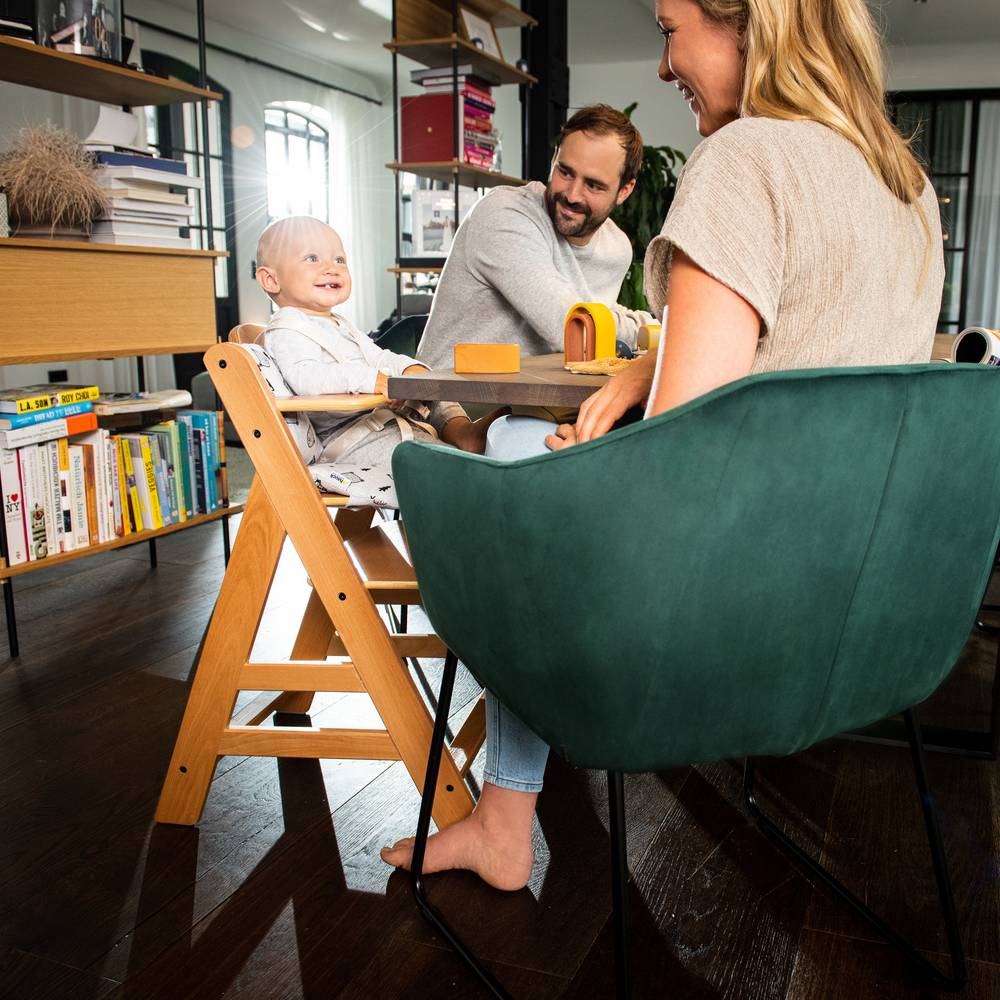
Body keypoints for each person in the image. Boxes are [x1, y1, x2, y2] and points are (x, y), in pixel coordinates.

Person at [382, 0, 944, 891]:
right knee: (543, 435)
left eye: (668, 28)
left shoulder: (747, 158)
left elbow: (680, 468)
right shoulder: (907, 185)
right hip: (862, 620)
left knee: (521, 450)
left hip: (702, 624)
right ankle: (506, 813)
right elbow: (810, 368)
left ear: (751, 23)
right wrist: (656, 366)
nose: (661, 66)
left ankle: (505, 814)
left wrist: (576, 457)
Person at [414, 104, 655, 373]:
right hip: (449, 402)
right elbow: (573, 330)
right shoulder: (503, 214)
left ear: (624, 191)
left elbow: (599, 319)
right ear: (554, 159)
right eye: (565, 172)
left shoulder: (617, 248)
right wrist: (650, 329)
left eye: (593, 185)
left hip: (542, 402)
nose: (572, 195)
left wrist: (653, 328)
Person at [253, 216, 502, 464]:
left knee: (431, 387)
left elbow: (376, 355)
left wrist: (406, 369)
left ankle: (463, 433)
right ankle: (459, 466)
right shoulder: (287, 329)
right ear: (271, 280)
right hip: (345, 436)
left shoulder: (339, 324)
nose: (332, 267)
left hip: (376, 419)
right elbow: (307, 377)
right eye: (312, 258)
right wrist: (372, 381)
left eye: (339, 259)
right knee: (429, 458)